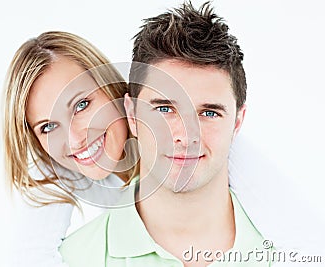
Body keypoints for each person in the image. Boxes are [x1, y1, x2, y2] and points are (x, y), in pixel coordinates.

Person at [60, 2, 276, 266]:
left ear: (237, 122)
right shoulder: (72, 259)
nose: (185, 137)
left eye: (209, 113)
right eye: (164, 109)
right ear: (131, 114)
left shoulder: (290, 247)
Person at [3, 31, 139, 266]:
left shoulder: (166, 123)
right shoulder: (55, 158)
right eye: (48, 126)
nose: (75, 140)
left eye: (81, 105)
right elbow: (33, 256)